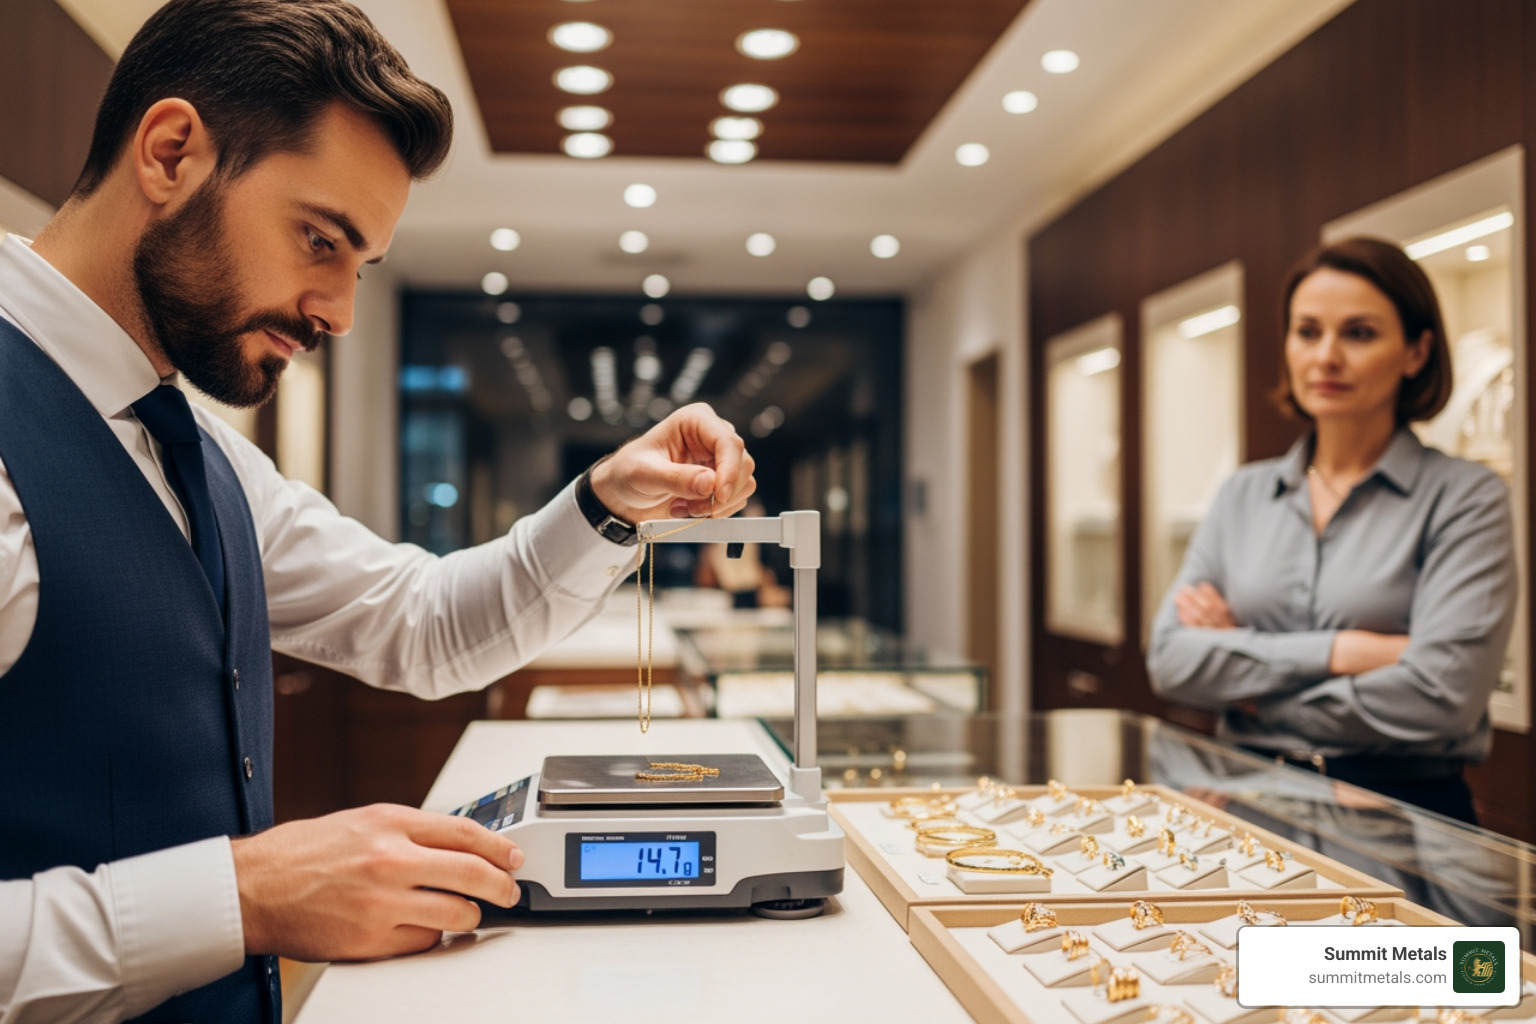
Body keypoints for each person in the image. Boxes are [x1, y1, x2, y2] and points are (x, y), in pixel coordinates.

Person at [0, 2, 755, 1021]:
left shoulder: (194, 443)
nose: (339, 312)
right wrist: (246, 894)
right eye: (319, 239)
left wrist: (607, 502)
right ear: (171, 152)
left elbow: (426, 623)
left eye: (360, 266)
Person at [1146, 236, 1517, 826]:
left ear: (1416, 352)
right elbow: (1170, 659)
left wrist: (1248, 692)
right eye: (1308, 331)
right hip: (1244, 807)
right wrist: (1346, 651)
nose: (1326, 357)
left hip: (1402, 818)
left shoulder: (1465, 497)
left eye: (1359, 333)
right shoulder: (1244, 494)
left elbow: (1441, 697)